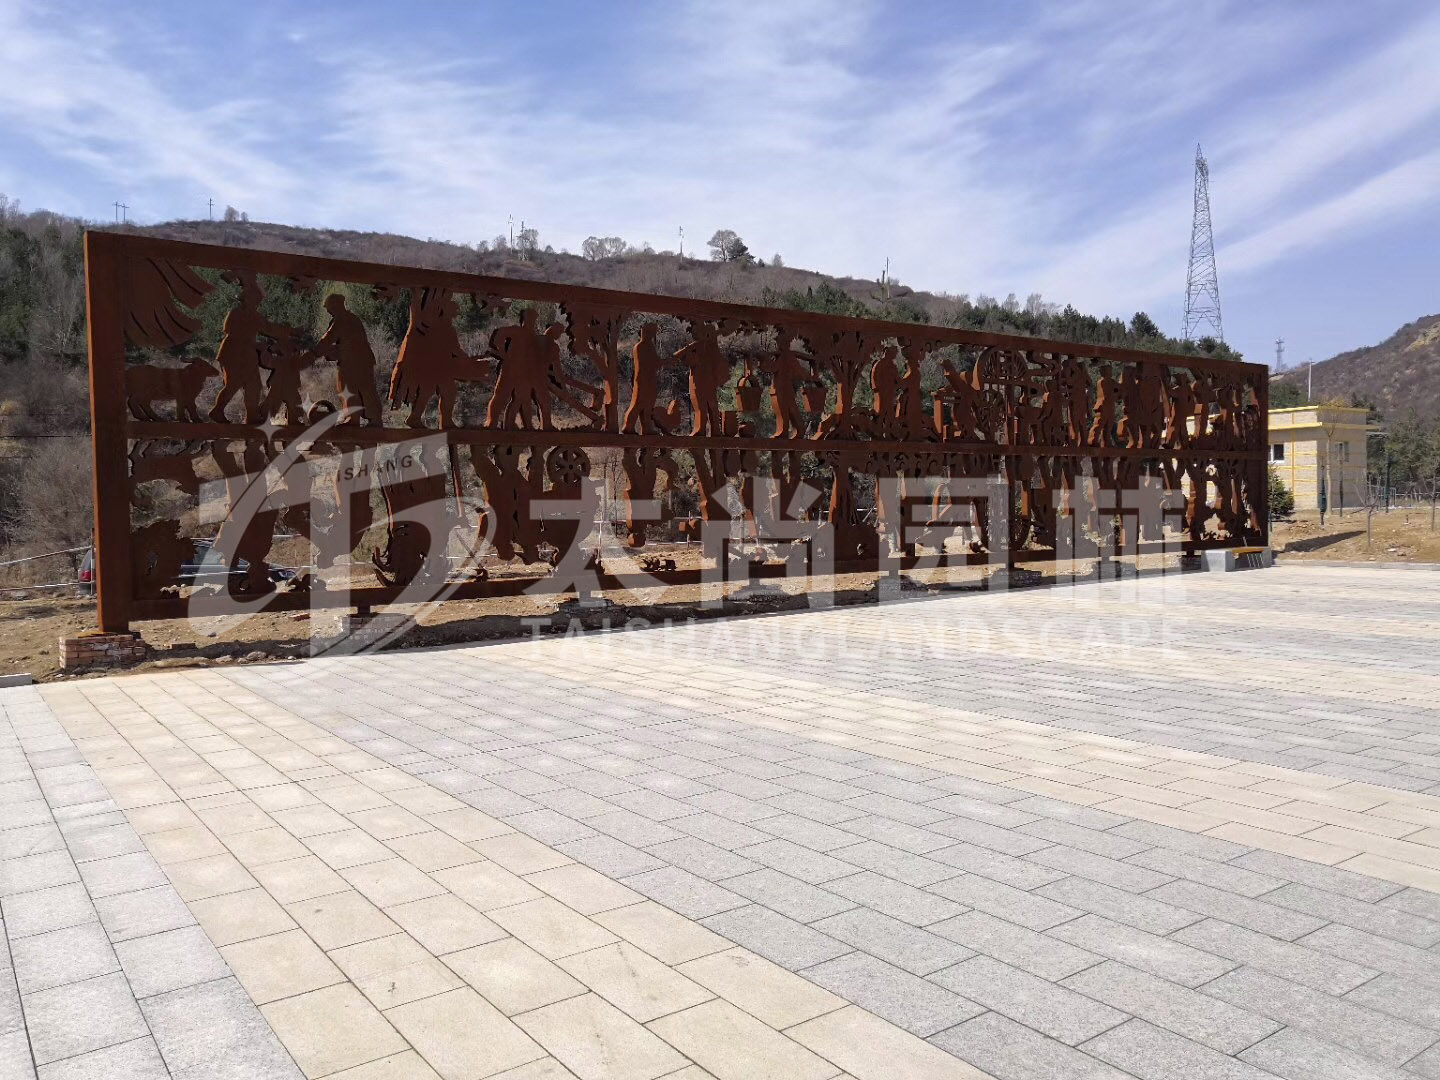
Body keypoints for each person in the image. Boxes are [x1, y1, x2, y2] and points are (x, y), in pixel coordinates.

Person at [208, 275, 292, 423]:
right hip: (233, 355)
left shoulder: (255, 316)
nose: (258, 301)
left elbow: (270, 328)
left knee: (254, 385)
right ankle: (217, 411)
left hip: (246, 356)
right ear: (247, 299)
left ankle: (251, 416)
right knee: (233, 384)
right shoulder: (236, 313)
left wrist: (291, 331)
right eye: (256, 298)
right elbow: (231, 331)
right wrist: (254, 344)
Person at [306, 293, 382, 425]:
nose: (328, 311)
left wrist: (313, 353)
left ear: (336, 305)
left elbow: (328, 339)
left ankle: (355, 419)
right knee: (364, 389)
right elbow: (346, 343)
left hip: (353, 362)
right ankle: (372, 419)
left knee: (348, 388)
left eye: (329, 308)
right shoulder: (352, 318)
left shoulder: (341, 320)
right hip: (361, 360)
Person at [674, 322, 727, 436]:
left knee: (708, 405)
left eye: (697, 332)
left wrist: (689, 349)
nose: (695, 335)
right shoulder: (699, 347)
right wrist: (689, 348)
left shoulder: (707, 347)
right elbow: (680, 357)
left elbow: (678, 357)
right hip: (701, 380)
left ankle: (711, 430)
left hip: (704, 381)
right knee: (703, 405)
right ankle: (704, 429)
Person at [622, 322, 666, 434]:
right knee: (638, 404)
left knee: (648, 405)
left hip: (649, 380)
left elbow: (655, 363)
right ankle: (628, 425)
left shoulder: (648, 346)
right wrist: (667, 361)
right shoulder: (641, 347)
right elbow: (653, 363)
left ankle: (646, 428)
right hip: (643, 381)